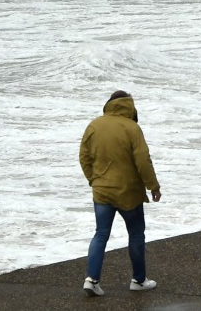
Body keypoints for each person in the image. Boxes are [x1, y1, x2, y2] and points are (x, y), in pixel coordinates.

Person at [79, 90, 162, 297]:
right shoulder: (132, 128)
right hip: (129, 192)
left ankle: (92, 279)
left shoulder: (94, 125)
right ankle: (139, 280)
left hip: (102, 191)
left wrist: (94, 179)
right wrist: (153, 186)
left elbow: (84, 157)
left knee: (100, 234)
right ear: (130, 107)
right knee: (135, 233)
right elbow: (143, 161)